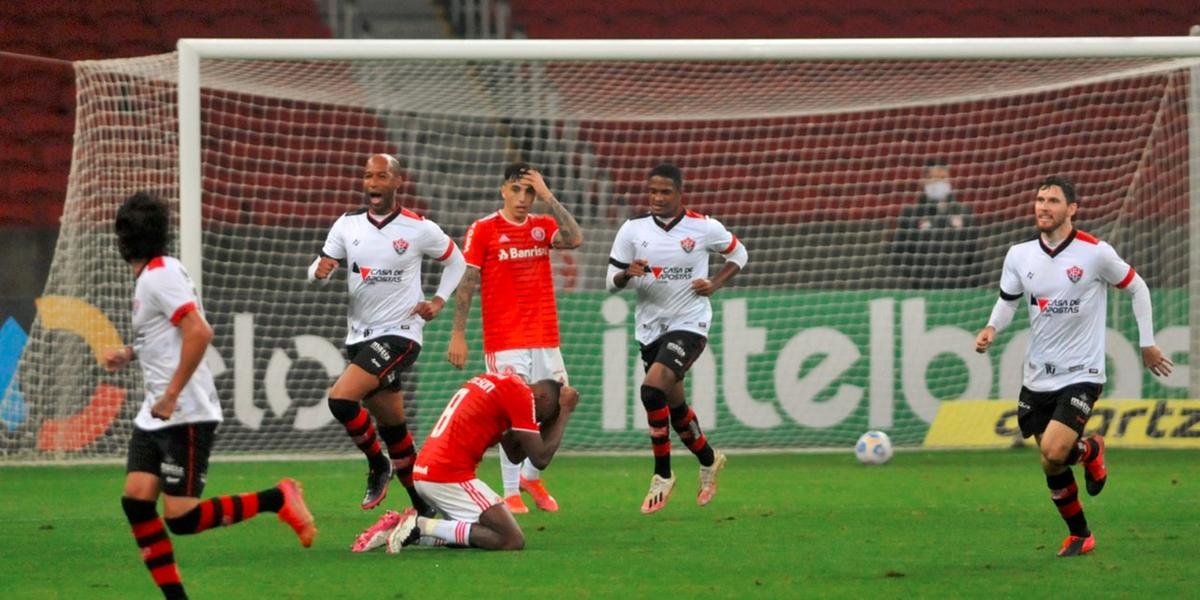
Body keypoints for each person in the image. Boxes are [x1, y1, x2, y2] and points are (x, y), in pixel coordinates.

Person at [106, 193, 316, 600]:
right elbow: (164, 332)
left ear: (123, 238)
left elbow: (200, 332)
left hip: (183, 412)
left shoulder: (157, 276)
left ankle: (278, 498)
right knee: (136, 499)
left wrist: (170, 394)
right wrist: (130, 353)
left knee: (180, 518)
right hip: (158, 414)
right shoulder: (158, 272)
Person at [974, 175, 1173, 557]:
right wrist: (991, 328)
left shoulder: (1094, 253)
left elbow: (1138, 287)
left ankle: (1088, 452)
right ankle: (1081, 531)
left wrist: (1147, 343)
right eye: (1039, 200)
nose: (1043, 207)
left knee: (1052, 448)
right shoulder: (1019, 254)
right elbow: (1007, 299)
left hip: (1082, 373)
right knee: (1052, 463)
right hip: (1037, 376)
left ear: (1071, 209)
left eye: (1052, 201)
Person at [308, 153, 466, 514]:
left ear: (398, 182)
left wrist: (439, 301)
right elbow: (320, 267)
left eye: (381, 176)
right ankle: (424, 509)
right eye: (367, 176)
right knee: (394, 427)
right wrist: (318, 271)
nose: (373, 183)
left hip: (401, 332)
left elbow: (456, 259)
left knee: (341, 400)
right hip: (359, 335)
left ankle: (377, 463)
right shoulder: (346, 225)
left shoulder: (418, 227)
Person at [605, 163, 748, 514]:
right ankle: (709, 459)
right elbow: (611, 280)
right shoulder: (632, 229)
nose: (657, 198)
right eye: (652, 191)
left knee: (651, 390)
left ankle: (663, 474)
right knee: (675, 408)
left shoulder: (703, 227)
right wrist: (627, 274)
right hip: (650, 328)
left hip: (690, 323)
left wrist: (715, 283)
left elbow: (739, 254)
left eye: (665, 192)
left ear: (679, 193)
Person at [445, 162, 583, 514]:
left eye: (531, 191)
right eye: (517, 189)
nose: (523, 198)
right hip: (505, 339)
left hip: (545, 337)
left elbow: (575, 239)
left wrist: (549, 196)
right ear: (503, 190)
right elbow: (468, 281)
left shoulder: (542, 226)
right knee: (514, 412)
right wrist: (458, 333)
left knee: (558, 404)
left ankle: (530, 476)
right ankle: (510, 492)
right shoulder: (484, 229)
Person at [349, 372, 579, 553]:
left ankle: (398, 529)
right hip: (448, 476)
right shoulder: (521, 396)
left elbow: (515, 454)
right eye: (543, 417)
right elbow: (540, 459)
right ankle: (418, 526)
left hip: (427, 472)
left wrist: (551, 417)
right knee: (511, 539)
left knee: (476, 535)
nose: (538, 422)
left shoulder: (505, 386)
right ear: (543, 397)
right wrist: (565, 412)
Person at [893, 160, 980, 288]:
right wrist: (914, 282)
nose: (939, 182)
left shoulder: (964, 212)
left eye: (943, 178)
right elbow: (899, 256)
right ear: (924, 181)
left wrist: (970, 285)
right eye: (934, 178)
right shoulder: (911, 214)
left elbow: (975, 253)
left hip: (959, 290)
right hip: (922, 289)